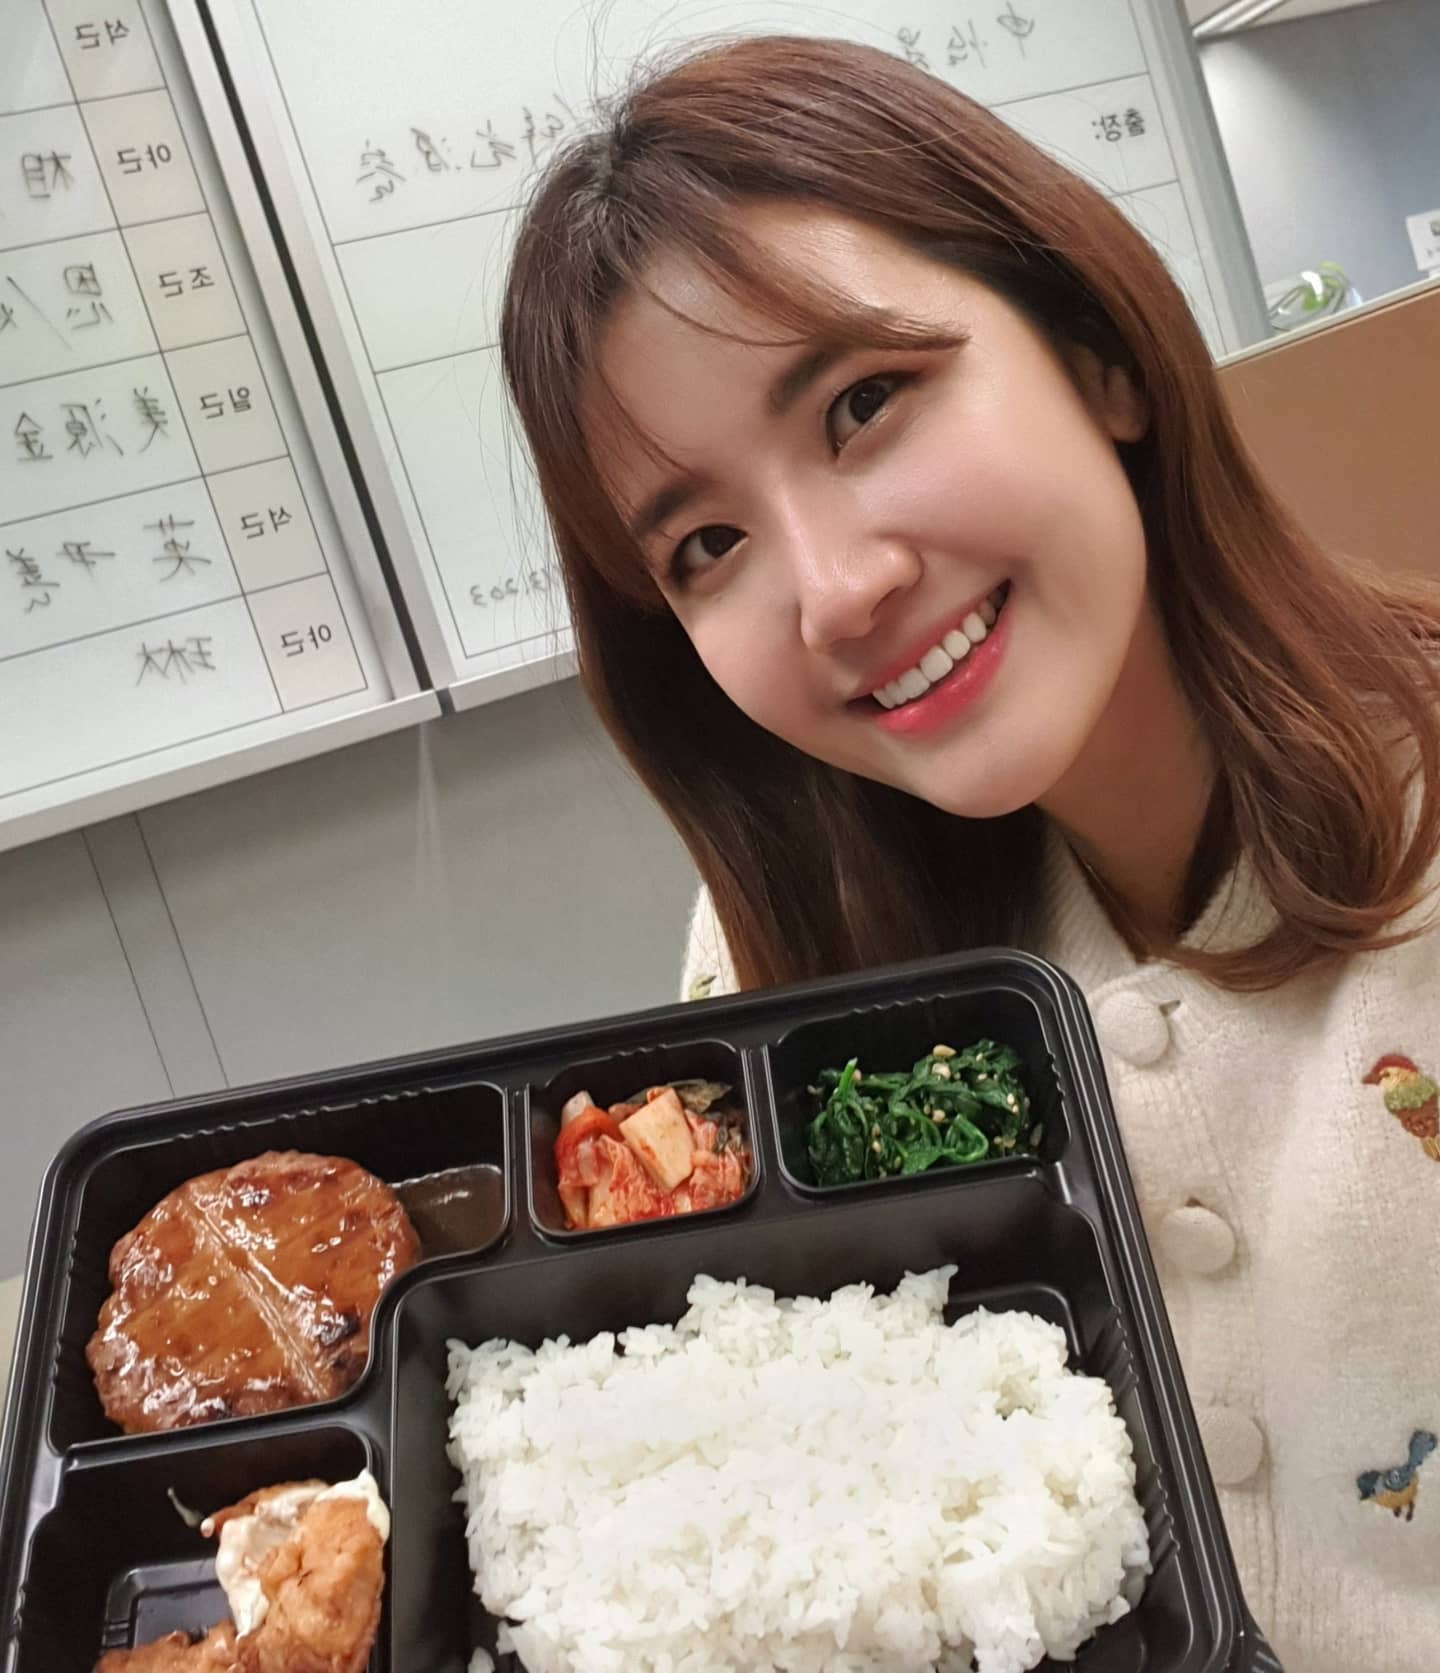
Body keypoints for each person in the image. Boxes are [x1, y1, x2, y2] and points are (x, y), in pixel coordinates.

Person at [500, 34, 1440, 1671]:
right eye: (707, 542)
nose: (834, 588)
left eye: (862, 404)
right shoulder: (775, 955)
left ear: (1099, 356)